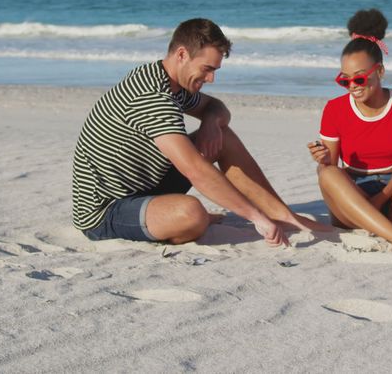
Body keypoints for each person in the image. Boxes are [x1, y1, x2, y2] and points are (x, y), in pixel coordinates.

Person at [72, 18, 328, 246]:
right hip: (105, 210)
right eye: (207, 69)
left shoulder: (170, 82)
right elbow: (194, 170)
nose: (210, 79)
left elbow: (217, 108)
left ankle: (284, 216)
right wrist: (254, 217)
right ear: (182, 54)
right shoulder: (152, 96)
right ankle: (182, 220)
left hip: (146, 187)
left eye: (214, 70)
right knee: (192, 214)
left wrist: (209, 124)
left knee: (221, 135)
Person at [308, 9, 392, 253]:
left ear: (380, 72)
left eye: (359, 79)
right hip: (351, 199)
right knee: (327, 174)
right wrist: (323, 160)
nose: (352, 86)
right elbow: (331, 169)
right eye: (345, 80)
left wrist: (379, 199)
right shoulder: (334, 109)